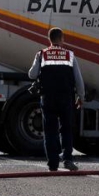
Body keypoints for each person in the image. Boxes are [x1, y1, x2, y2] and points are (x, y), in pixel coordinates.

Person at [29, 27, 85, 172]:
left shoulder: (42, 54)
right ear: (61, 39)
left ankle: (52, 164)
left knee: (50, 131)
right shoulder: (70, 55)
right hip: (66, 98)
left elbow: (32, 75)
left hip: (48, 98)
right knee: (66, 129)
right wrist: (81, 96)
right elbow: (78, 79)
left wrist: (38, 61)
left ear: (49, 39)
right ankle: (67, 160)